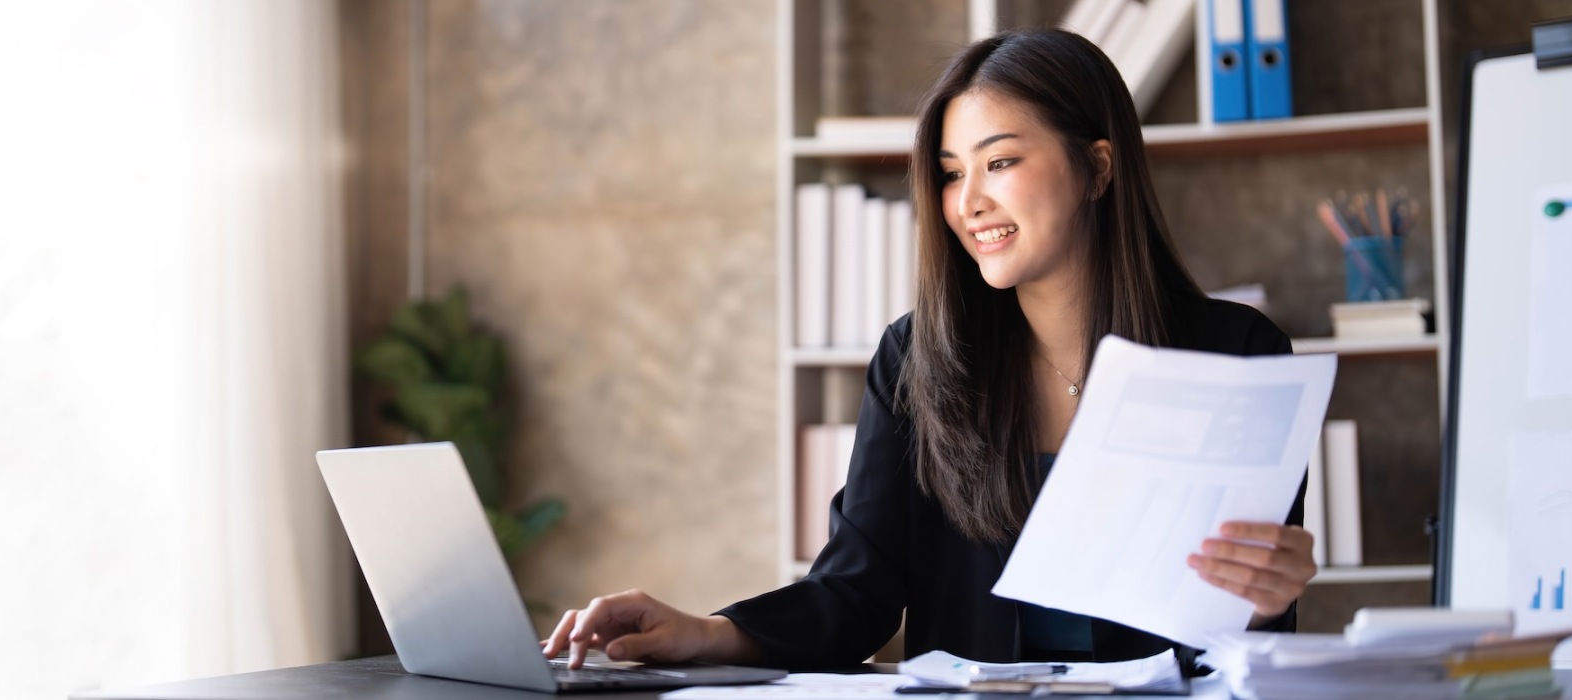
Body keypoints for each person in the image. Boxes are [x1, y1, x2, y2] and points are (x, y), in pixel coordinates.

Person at [542, 28, 1316, 671]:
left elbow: (1241, 623)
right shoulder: (917, 360)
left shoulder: (1238, 355)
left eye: (1000, 162)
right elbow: (855, 594)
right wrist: (703, 633)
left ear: (1098, 167)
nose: (969, 201)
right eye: (950, 174)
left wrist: (1269, 599)